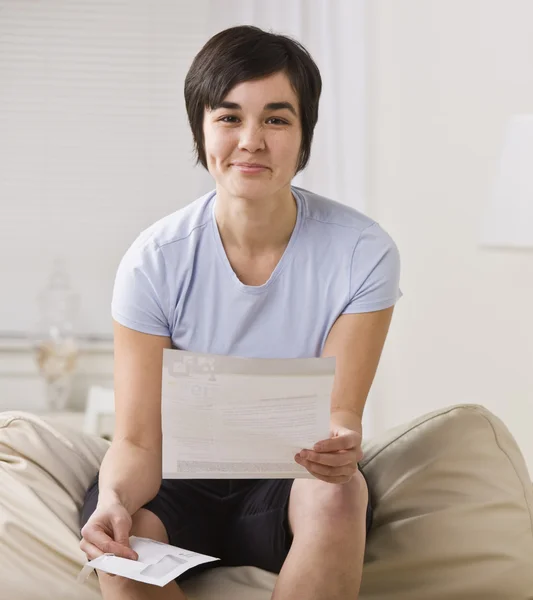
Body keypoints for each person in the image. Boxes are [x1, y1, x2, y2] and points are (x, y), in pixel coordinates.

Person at [79, 24, 401, 600]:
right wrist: (114, 502)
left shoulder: (361, 252)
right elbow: (137, 441)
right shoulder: (154, 261)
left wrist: (340, 444)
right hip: (175, 482)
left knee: (341, 490)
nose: (251, 140)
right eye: (229, 117)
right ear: (201, 130)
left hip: (292, 482)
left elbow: (340, 414)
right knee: (120, 552)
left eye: (277, 119)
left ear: (304, 137)